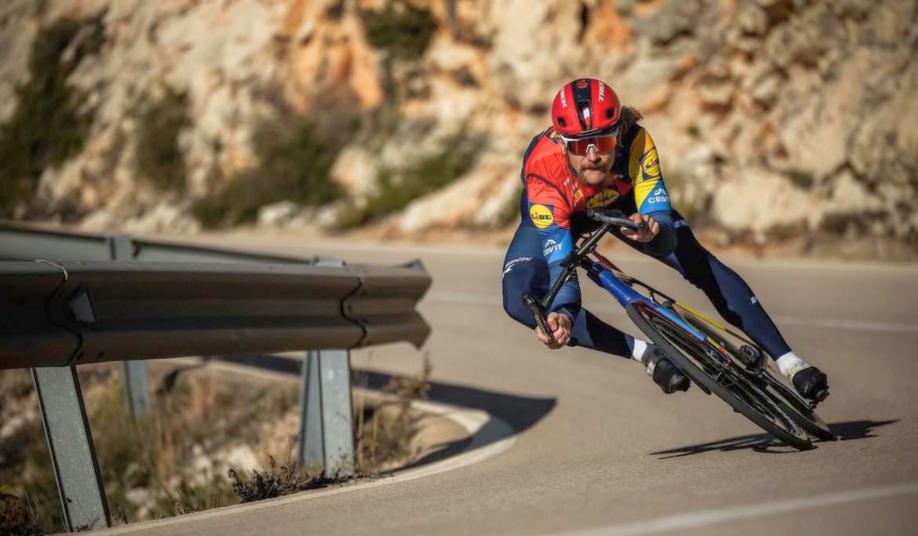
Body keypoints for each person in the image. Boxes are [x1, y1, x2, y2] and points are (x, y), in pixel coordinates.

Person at [501, 77, 829, 400]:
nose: (592, 155)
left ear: (617, 134)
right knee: (519, 299)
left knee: (696, 261)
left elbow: (662, 228)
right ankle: (645, 354)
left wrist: (652, 229)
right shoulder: (542, 168)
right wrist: (564, 315)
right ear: (562, 143)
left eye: (602, 142)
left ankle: (791, 362)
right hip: (561, 216)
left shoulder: (636, 143)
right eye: (578, 145)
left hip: (623, 205)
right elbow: (561, 265)